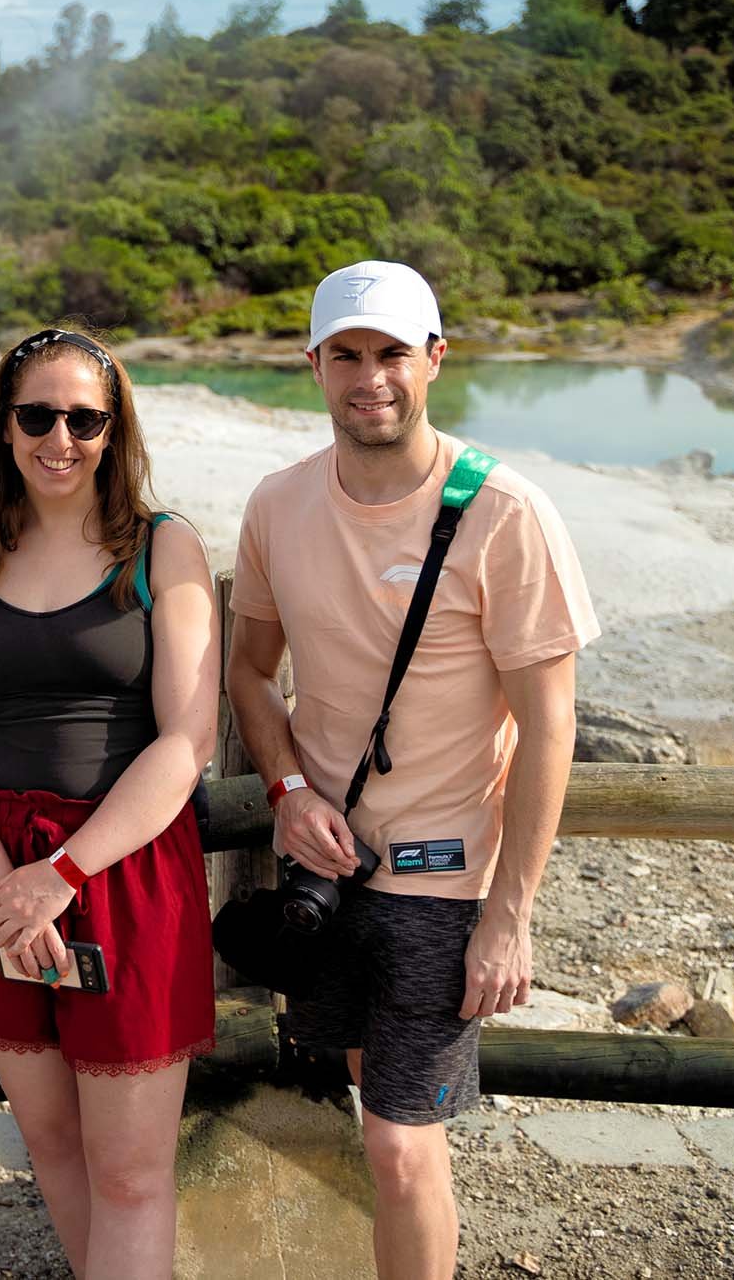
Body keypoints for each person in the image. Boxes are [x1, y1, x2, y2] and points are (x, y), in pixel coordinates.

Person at [227, 262, 598, 1280]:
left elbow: (550, 726)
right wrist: (288, 793)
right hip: (326, 869)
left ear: (435, 359)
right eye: (345, 354)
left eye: (391, 352)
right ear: (313, 366)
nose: (369, 377)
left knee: (397, 1144)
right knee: (369, 1102)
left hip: (443, 880)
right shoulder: (278, 504)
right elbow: (250, 672)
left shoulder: (506, 513)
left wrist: (510, 914)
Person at [0, 324, 220, 1278]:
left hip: (122, 865)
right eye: (38, 415)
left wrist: (63, 873)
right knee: (52, 1146)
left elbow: (188, 740)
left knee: (130, 1172)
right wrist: (7, 883)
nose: (61, 437)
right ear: (4, 427)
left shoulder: (164, 547)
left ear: (113, 426)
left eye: (85, 418)